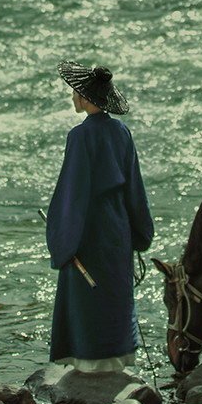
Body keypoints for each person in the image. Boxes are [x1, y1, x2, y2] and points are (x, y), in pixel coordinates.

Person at [45, 60, 154, 372]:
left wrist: (62, 241)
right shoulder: (122, 132)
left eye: (74, 93)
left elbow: (72, 193)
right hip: (117, 225)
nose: (72, 97)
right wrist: (139, 232)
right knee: (115, 290)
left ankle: (89, 364)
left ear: (83, 97)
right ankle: (120, 360)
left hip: (89, 227)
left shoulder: (79, 137)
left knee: (86, 293)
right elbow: (135, 186)